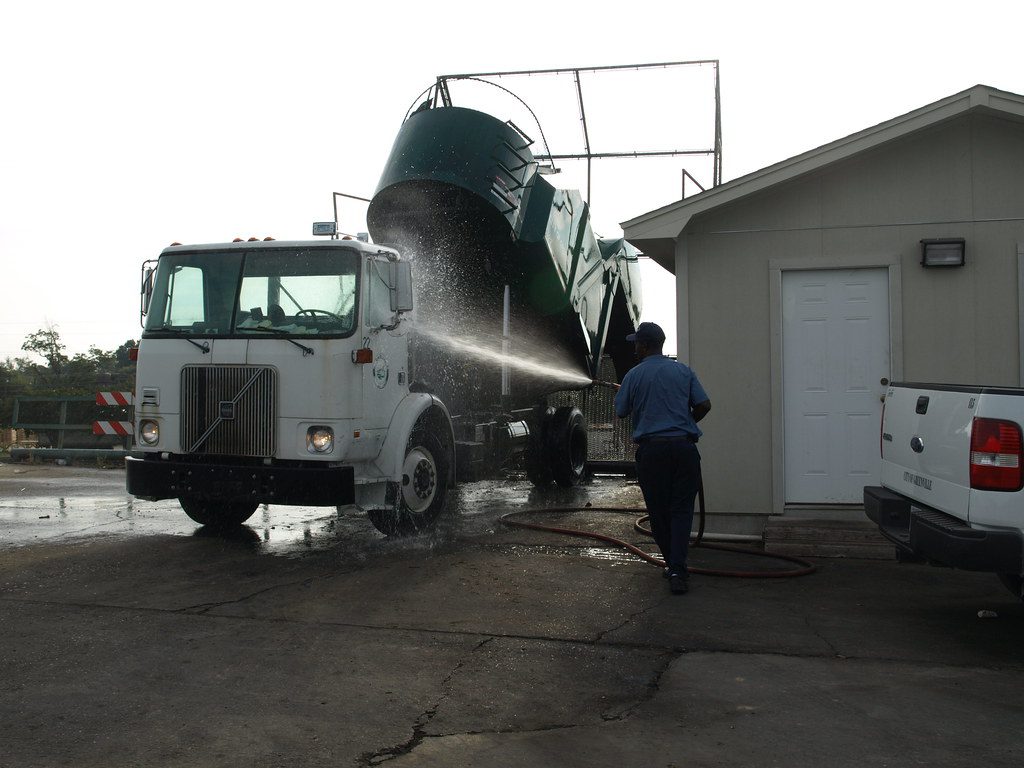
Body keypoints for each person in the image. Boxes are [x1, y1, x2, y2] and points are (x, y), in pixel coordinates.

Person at [613, 322, 711, 595]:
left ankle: (673, 566)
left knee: (659, 514)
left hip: (653, 453)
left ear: (644, 346)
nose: (634, 348)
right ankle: (678, 569)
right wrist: (684, 421)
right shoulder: (682, 371)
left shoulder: (634, 375)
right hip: (684, 449)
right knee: (681, 512)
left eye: (636, 343)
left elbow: (621, 411)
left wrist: (630, 391)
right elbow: (705, 404)